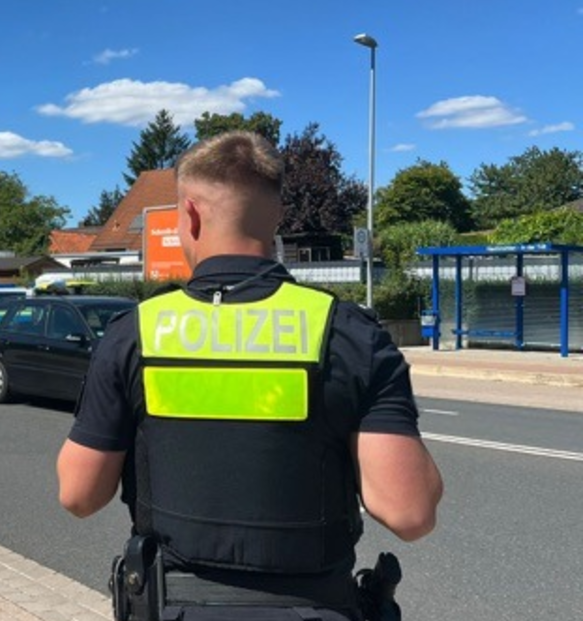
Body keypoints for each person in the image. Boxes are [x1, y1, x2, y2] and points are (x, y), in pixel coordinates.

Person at [56, 131, 443, 621]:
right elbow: (410, 513)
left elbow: (78, 495)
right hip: (316, 608)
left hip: (177, 608)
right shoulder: (349, 334)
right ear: (277, 215)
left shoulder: (135, 334)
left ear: (190, 216)